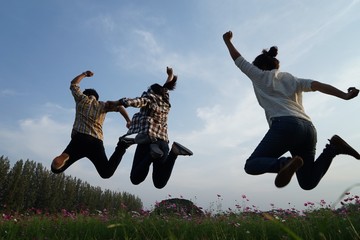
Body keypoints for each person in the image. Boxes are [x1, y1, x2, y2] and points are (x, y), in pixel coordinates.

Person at [223, 31, 360, 189]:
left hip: (285, 125)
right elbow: (318, 85)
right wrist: (345, 95)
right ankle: (333, 149)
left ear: (259, 67)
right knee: (307, 182)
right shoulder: (293, 80)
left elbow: (238, 59)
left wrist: (227, 41)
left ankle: (285, 163)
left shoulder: (259, 75)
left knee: (252, 165)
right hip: (308, 129)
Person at [119, 66, 193, 189]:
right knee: (159, 183)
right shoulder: (165, 100)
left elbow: (139, 101)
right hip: (163, 143)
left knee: (135, 178)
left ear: (151, 91)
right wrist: (170, 75)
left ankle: (151, 155)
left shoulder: (150, 97)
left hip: (148, 141)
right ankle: (174, 152)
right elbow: (166, 87)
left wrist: (124, 102)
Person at [51, 70, 134, 178]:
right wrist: (128, 120)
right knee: (106, 173)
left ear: (86, 94)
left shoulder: (82, 99)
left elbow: (73, 84)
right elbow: (120, 107)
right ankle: (122, 145)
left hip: (79, 139)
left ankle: (64, 157)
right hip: (95, 142)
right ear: (96, 97)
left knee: (56, 169)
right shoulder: (102, 105)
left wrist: (84, 74)